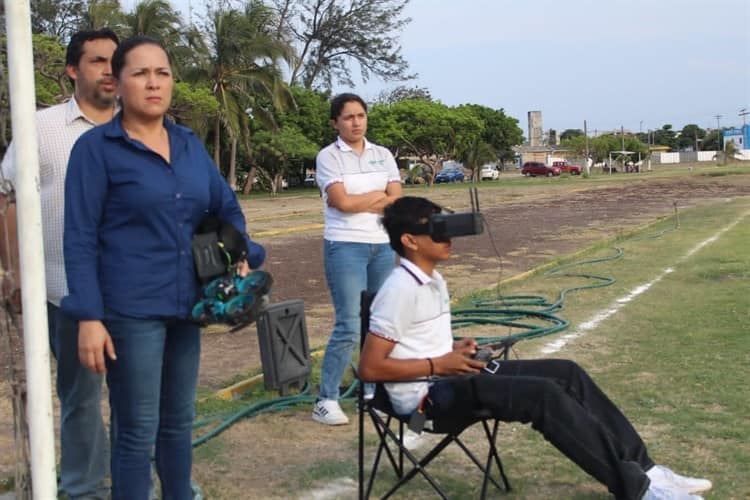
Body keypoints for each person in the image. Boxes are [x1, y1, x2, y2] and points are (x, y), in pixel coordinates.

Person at [359, 196, 712, 500]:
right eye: (437, 229)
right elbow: (370, 369)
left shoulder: (432, 279)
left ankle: (648, 471)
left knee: (567, 373)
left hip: (452, 376)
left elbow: (414, 342)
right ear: (410, 240)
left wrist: (454, 348)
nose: (448, 237)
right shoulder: (399, 290)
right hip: (428, 401)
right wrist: (440, 364)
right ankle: (637, 491)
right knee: (542, 395)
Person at [61, 35, 265, 500]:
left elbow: (226, 207)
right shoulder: (97, 149)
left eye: (163, 73)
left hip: (187, 305)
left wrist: (239, 255)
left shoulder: (189, 145)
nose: (153, 83)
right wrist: (89, 317)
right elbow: (80, 237)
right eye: (140, 73)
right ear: (119, 82)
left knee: (178, 423)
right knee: (136, 430)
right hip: (130, 310)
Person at [0, 28, 120, 499]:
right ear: (73, 70)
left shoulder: (139, 126)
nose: (109, 70)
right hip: (63, 290)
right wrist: (11, 273)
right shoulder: (40, 129)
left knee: (143, 397)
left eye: (115, 60)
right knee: (82, 398)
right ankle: (85, 488)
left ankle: (140, 482)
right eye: (96, 61)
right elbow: (6, 198)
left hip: (133, 290)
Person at [312, 93, 403, 425]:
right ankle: (327, 399)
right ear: (335, 122)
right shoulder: (328, 157)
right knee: (349, 324)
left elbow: (397, 200)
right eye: (348, 117)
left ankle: (371, 391)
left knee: (377, 323)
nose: (356, 122)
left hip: (382, 245)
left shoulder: (383, 154)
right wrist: (377, 197)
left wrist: (363, 199)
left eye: (360, 116)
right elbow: (341, 203)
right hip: (345, 246)